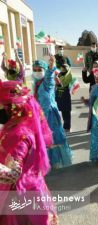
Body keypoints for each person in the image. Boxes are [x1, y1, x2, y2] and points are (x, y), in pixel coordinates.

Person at [0, 80, 58, 224]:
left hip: (22, 197)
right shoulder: (10, 128)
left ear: (12, 108)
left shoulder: (21, 135)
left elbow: (14, 174)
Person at [32, 56, 73, 169]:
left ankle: (57, 161)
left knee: (53, 138)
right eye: (35, 70)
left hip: (50, 115)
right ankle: (46, 161)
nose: (37, 72)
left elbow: (50, 76)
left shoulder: (47, 82)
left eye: (39, 69)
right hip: (40, 116)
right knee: (42, 139)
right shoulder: (36, 83)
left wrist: (51, 65)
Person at [55, 63, 73, 132]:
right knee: (62, 111)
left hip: (65, 95)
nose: (63, 70)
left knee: (67, 112)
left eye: (64, 68)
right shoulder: (59, 74)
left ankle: (67, 127)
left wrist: (59, 81)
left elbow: (65, 84)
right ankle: (64, 126)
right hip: (59, 94)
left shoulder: (69, 75)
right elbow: (56, 84)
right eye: (62, 68)